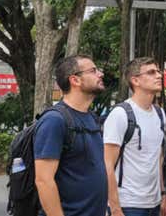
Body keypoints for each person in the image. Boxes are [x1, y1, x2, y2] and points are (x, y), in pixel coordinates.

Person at [34, 55, 107, 216]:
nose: (100, 74)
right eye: (93, 70)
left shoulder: (91, 118)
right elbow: (43, 180)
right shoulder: (54, 120)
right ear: (75, 80)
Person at [104, 57, 166, 216]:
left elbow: (157, 159)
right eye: (151, 72)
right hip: (128, 205)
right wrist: (115, 208)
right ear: (135, 80)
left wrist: (163, 195)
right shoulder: (121, 114)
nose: (159, 75)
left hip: (154, 204)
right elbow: (107, 165)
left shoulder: (160, 114)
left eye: (159, 71)